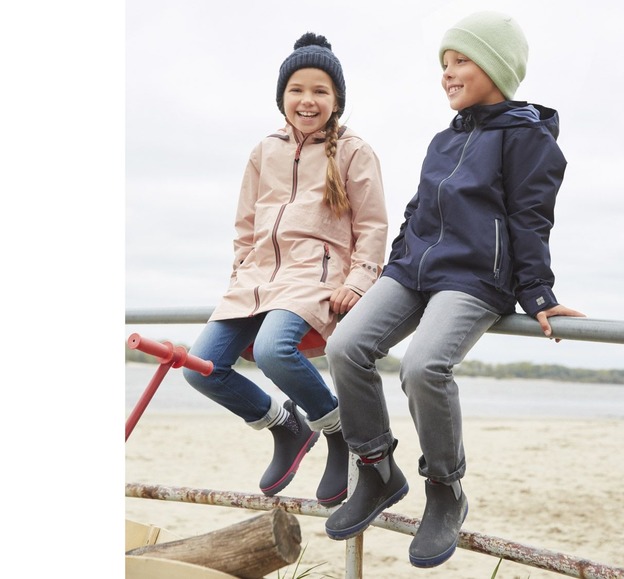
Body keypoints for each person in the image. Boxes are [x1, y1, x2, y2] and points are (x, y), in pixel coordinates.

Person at [324, 11, 585, 568]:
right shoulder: (445, 139)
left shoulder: (529, 138)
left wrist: (538, 293)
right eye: (443, 63)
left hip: (474, 278)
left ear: (495, 66)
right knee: (345, 346)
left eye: (460, 60)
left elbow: (531, 218)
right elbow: (419, 210)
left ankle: (445, 489)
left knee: (423, 367)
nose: (447, 73)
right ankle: (377, 471)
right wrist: (396, 264)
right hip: (414, 271)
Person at [183, 32, 388, 508]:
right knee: (201, 369)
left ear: (337, 100)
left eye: (320, 90)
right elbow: (245, 223)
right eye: (297, 89)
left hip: (313, 278)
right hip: (255, 280)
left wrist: (358, 281)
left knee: (275, 352)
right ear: (282, 98)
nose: (307, 100)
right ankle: (286, 426)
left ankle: (337, 431)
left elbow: (373, 226)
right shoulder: (264, 151)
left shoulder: (354, 150)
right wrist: (241, 271)